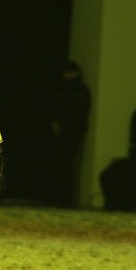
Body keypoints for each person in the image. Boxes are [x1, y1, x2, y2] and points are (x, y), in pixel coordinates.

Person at [47, 60, 90, 207]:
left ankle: (64, 199)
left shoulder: (77, 90)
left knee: (66, 165)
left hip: (72, 131)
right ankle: (62, 198)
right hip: (69, 131)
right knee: (64, 165)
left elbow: (77, 111)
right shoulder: (75, 89)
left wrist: (58, 123)